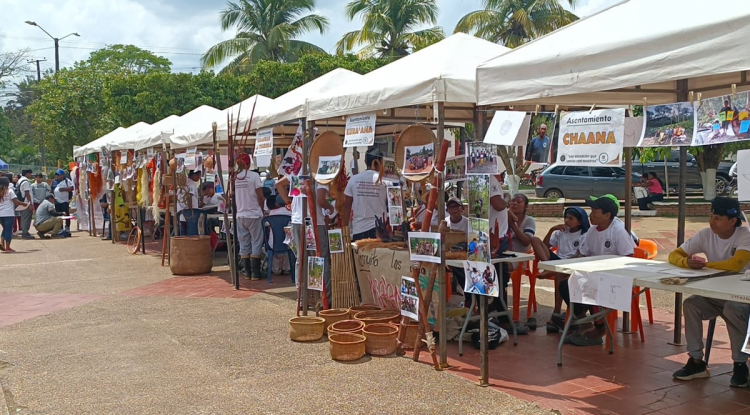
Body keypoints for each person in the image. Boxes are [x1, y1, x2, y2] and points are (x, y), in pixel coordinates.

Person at [669, 197, 750, 387]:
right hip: (716, 295)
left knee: (732, 308)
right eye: (711, 215)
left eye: (718, 218)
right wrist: (686, 262)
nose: (712, 221)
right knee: (691, 304)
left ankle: (740, 364)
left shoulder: (744, 235)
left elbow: (735, 264)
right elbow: (675, 254)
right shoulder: (705, 234)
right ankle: (696, 361)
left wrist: (705, 265)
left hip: (743, 298)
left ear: (732, 220)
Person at [557, 195, 635, 346]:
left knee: (592, 290)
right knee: (566, 286)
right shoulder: (592, 232)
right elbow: (583, 253)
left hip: (615, 280)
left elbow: (629, 259)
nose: (591, 215)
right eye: (591, 210)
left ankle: (599, 330)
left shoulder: (618, 232)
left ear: (607, 215)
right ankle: (586, 325)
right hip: (595, 276)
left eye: (595, 211)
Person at [530, 207, 590, 332]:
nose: (567, 221)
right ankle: (549, 267)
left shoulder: (584, 235)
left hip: (571, 264)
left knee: (559, 272)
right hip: (556, 260)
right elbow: (545, 245)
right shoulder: (561, 232)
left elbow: (580, 256)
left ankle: (556, 311)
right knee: (535, 239)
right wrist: (552, 230)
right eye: (566, 218)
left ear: (579, 222)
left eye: (571, 219)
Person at [342, 147, 388, 241]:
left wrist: (344, 230)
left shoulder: (354, 180)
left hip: (359, 230)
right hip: (380, 230)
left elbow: (346, 206)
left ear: (364, 161)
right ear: (381, 162)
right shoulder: (386, 181)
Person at [234, 153, 266, 280]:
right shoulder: (254, 176)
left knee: (244, 244)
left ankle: (247, 272)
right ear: (248, 164)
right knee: (256, 243)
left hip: (240, 215)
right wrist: (263, 209)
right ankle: (256, 273)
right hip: (254, 214)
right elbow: (260, 196)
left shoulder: (234, 178)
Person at [0, 177, 30, 252]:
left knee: (5, 229)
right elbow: (16, 202)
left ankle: (2, 243)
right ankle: (7, 247)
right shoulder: (10, 191)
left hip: (0, 214)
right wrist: (24, 204)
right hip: (9, 214)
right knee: (9, 230)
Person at [17, 169, 34, 239]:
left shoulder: (20, 180)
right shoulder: (25, 181)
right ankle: (25, 233)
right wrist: (30, 203)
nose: (30, 175)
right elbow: (27, 193)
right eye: (30, 174)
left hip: (22, 202)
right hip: (26, 202)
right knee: (26, 218)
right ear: (27, 174)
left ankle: (25, 231)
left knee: (24, 218)